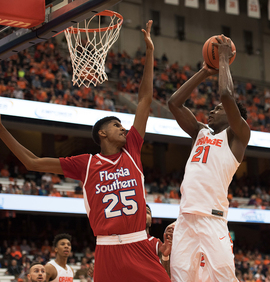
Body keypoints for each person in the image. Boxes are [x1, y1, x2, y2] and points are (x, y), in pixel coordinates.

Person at [0, 20, 171, 282]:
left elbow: (145, 100)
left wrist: (149, 53)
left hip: (139, 245)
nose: (124, 129)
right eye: (117, 126)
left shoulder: (132, 151)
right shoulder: (86, 163)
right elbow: (32, 161)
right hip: (106, 249)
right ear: (102, 133)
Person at [168, 35, 250, 281]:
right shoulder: (200, 132)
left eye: (219, 108)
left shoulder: (238, 135)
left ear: (235, 116)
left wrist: (223, 58)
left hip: (212, 219)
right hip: (185, 218)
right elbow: (174, 103)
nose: (213, 109)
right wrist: (204, 71)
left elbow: (226, 95)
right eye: (213, 108)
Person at [146, 204, 172, 277]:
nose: (144, 214)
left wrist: (165, 256)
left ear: (151, 221)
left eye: (147, 212)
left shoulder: (157, 244)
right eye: (142, 212)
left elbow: (167, 276)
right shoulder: (126, 240)